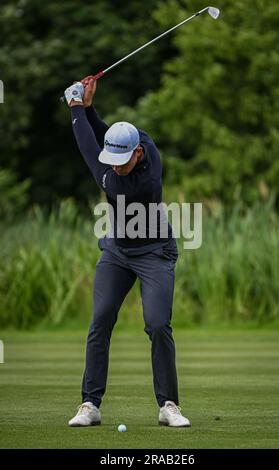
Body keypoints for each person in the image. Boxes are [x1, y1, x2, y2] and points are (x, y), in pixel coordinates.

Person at [65, 77, 190, 427]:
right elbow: (104, 137)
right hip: (118, 251)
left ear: (138, 153)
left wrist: (75, 108)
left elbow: (89, 147)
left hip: (155, 252)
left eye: (122, 160)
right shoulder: (141, 141)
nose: (115, 165)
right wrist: (91, 108)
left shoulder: (124, 182)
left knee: (157, 323)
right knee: (100, 320)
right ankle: (90, 404)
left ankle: (169, 405)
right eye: (113, 159)